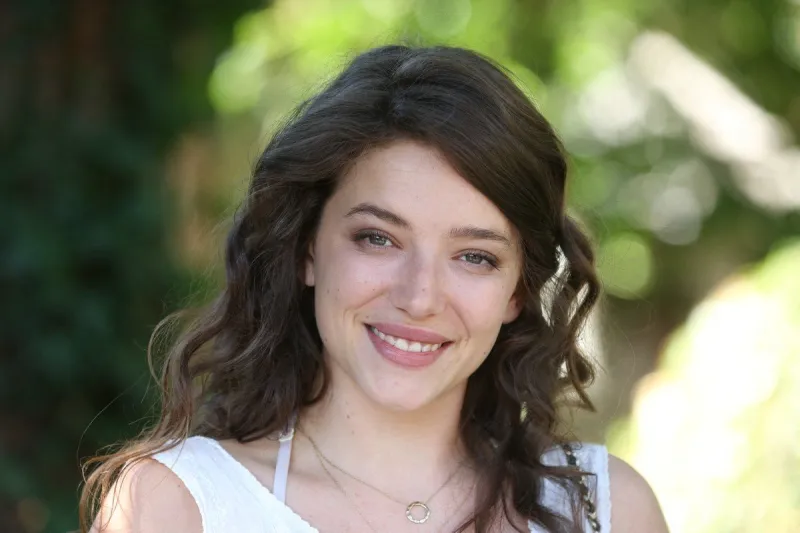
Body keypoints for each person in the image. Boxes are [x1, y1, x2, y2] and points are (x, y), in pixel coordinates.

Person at [80, 45, 669, 533]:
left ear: (518, 290)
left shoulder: (608, 511)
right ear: (307, 247)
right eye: (378, 239)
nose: (419, 297)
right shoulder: (176, 505)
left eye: (474, 256)